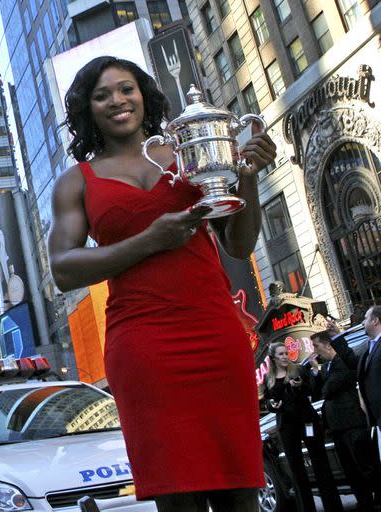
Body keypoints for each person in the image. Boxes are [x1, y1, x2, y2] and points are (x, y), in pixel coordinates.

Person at [47, 56, 276, 511]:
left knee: (241, 490)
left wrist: (247, 176)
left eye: (125, 88)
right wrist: (150, 240)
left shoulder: (187, 153)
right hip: (144, 348)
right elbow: (63, 268)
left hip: (215, 334)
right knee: (176, 494)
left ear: (143, 95)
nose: (117, 100)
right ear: (86, 109)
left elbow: (239, 241)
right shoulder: (76, 182)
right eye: (102, 94)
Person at [263, 343, 343, 512]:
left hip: (307, 420)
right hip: (286, 426)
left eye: (286, 353)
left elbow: (313, 390)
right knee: (297, 470)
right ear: (273, 358)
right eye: (281, 354)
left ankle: (333, 506)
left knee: (320, 463)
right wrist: (272, 405)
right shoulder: (268, 378)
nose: (285, 356)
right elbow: (268, 401)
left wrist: (300, 386)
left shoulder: (298, 370)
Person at [310, 331, 376, 511]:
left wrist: (322, 379)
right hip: (336, 427)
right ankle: (364, 503)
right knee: (350, 470)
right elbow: (316, 392)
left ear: (327, 345)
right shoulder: (326, 368)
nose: (314, 351)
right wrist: (316, 372)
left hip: (352, 423)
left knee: (364, 467)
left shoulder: (342, 363)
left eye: (315, 346)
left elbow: (329, 390)